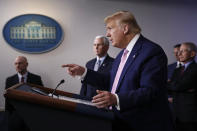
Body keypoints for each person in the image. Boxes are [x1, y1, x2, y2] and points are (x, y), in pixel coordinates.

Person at [62, 11, 173, 131]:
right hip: (120, 121)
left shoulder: (151, 51)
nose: (107, 34)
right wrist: (84, 72)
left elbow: (150, 91)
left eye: (110, 29)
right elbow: (111, 81)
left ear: (125, 28)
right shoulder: (122, 54)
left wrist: (116, 99)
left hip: (142, 124)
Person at [5, 56, 44, 131]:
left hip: (32, 116)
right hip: (15, 116)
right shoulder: (9, 80)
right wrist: (9, 116)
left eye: (20, 63)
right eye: (15, 64)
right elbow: (8, 99)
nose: (17, 66)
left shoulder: (36, 78)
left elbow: (42, 96)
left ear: (26, 64)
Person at [168, 42, 197, 131]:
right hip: (176, 114)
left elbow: (178, 86)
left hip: (190, 116)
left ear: (192, 54)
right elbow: (170, 88)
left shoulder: (195, 69)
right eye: (178, 51)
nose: (178, 54)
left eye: (182, 51)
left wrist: (172, 84)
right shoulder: (178, 70)